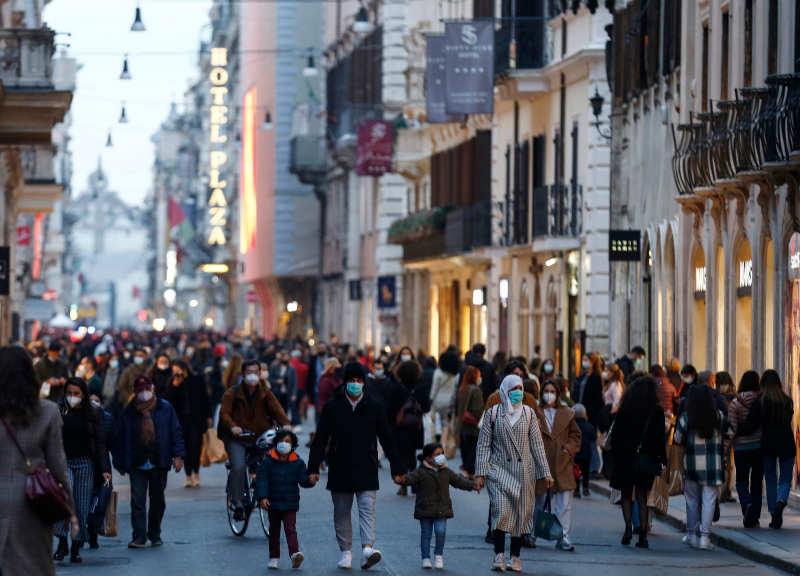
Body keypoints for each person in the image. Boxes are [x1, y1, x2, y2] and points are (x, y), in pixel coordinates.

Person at [307, 362, 406, 570]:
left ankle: (367, 549)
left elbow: (387, 439)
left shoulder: (375, 406)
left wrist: (398, 469)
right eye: (351, 381)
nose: (355, 384)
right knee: (342, 511)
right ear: (345, 382)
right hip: (340, 466)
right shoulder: (332, 407)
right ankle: (345, 552)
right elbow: (321, 438)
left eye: (359, 381)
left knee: (367, 509)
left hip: (366, 465)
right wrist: (313, 468)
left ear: (364, 382)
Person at [0, 346, 79, 576]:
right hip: (31, 504)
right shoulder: (47, 411)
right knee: (33, 568)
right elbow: (58, 466)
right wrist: (69, 510)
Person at [475, 375, 553, 572]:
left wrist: (546, 473)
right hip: (498, 470)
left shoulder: (528, 414)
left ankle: (515, 557)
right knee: (501, 512)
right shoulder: (493, 413)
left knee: (520, 516)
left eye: (520, 388)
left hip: (523, 472)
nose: (518, 392)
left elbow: (537, 445)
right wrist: (480, 473)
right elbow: (483, 445)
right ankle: (499, 554)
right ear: (505, 390)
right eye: (513, 388)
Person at [113, 375, 185, 548]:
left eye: (147, 389)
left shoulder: (165, 408)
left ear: (152, 389)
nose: (144, 393)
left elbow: (175, 432)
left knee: (157, 499)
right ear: (135, 392)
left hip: (159, 460)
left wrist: (178, 456)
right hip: (137, 461)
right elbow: (120, 438)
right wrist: (120, 462)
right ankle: (139, 535)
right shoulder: (128, 411)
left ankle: (155, 533)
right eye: (140, 390)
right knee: (137, 500)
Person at [219, 359, 291, 521]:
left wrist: (286, 424)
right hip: (236, 438)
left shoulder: (266, 393)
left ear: (260, 374)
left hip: (259, 438)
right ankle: (237, 502)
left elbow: (277, 410)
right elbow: (224, 414)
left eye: (255, 372)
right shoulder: (232, 393)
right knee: (238, 466)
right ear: (243, 374)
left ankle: (262, 488)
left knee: (269, 462)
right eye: (248, 372)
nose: (252, 376)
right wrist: (232, 426)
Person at [52, 377, 112, 563]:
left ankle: (76, 547)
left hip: (85, 463)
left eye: (76, 393)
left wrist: (105, 469)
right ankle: (62, 543)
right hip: (63, 462)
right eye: (69, 393)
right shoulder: (58, 409)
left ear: (83, 394)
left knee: (81, 506)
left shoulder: (92, 413)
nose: (72, 397)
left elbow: (100, 443)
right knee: (64, 500)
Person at [393, 443, 476, 569]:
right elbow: (411, 478)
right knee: (426, 534)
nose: (441, 456)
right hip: (425, 508)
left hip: (442, 508)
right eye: (437, 454)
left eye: (442, 453)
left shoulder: (446, 471)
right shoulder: (421, 471)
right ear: (428, 459)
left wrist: (473, 485)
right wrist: (401, 479)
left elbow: (459, 482)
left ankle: (438, 556)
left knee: (440, 531)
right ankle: (425, 558)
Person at [609, 376, 667, 549]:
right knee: (642, 496)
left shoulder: (625, 408)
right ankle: (643, 535)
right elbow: (659, 439)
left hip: (625, 458)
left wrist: (616, 454)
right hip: (646, 459)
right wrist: (662, 461)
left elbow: (615, 435)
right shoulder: (656, 411)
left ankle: (627, 527)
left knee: (626, 494)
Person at [674, 385, 734, 550]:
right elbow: (731, 431)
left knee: (692, 500)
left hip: (692, 465)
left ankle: (692, 535)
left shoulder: (687, 418)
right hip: (713, 465)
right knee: (709, 501)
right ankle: (705, 538)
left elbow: (678, 439)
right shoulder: (719, 417)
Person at [737, 369, 796, 529]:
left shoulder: (761, 402)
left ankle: (772, 512)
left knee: (770, 479)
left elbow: (753, 424)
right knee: (784, 479)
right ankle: (780, 503)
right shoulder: (787, 400)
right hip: (787, 442)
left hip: (768, 443)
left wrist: (735, 430)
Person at [255, 430, 317, 570]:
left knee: (290, 529)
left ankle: (294, 554)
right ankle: (274, 557)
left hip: (290, 503)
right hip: (273, 503)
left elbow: (302, 480)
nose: (284, 444)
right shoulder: (267, 462)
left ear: (293, 445)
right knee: (274, 531)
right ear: (276, 443)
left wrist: (310, 480)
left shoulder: (298, 462)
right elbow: (262, 481)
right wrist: (263, 498)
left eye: (287, 441)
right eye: (281, 441)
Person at [534, 380, 581, 551]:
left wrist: (568, 450)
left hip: (563, 463)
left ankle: (563, 537)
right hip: (542, 461)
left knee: (564, 503)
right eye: (546, 390)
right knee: (540, 501)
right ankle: (535, 533)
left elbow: (576, 436)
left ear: (558, 394)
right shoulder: (535, 412)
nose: (549, 394)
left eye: (552, 390)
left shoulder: (567, 413)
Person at [164, 360, 212, 488]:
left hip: (196, 419)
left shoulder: (196, 380)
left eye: (176, 370)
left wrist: (209, 415)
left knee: (195, 447)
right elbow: (168, 400)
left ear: (184, 369)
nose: (174, 373)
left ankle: (196, 474)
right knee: (184, 449)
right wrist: (175, 386)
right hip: (180, 421)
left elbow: (205, 398)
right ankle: (188, 476)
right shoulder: (172, 382)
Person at [386, 360, 431, 495]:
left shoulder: (395, 389)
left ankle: (403, 484)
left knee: (401, 455)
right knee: (412, 454)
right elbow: (427, 408)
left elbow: (389, 410)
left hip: (399, 427)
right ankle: (414, 483)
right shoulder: (420, 389)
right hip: (416, 426)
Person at [725, 370, 762, 528]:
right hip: (759, 446)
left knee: (741, 481)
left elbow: (731, 429)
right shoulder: (761, 401)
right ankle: (755, 518)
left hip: (741, 448)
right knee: (757, 482)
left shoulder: (735, 403)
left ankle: (747, 506)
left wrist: (725, 450)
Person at [454, 366, 485, 480]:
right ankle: (466, 469)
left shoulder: (462, 388)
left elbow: (457, 406)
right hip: (473, 424)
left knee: (465, 447)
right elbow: (477, 409)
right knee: (475, 448)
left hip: (462, 423)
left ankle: (470, 472)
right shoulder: (475, 390)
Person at [269, 351, 299, 425]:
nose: (285, 358)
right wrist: (277, 381)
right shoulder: (275, 367)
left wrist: (294, 394)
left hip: (287, 392)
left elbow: (295, 382)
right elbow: (269, 379)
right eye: (284, 357)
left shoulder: (291, 369)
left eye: (286, 357)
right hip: (277, 392)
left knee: (286, 410)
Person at [573, 404, 596, 497]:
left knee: (576, 470)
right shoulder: (589, 425)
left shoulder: (573, 425)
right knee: (586, 471)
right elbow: (594, 437)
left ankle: (577, 489)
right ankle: (586, 488)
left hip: (576, 452)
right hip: (587, 452)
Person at [289, 349, 309, 426]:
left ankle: (295, 419)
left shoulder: (291, 365)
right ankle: (297, 418)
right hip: (302, 387)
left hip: (292, 388)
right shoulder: (304, 367)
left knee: (293, 405)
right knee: (298, 405)